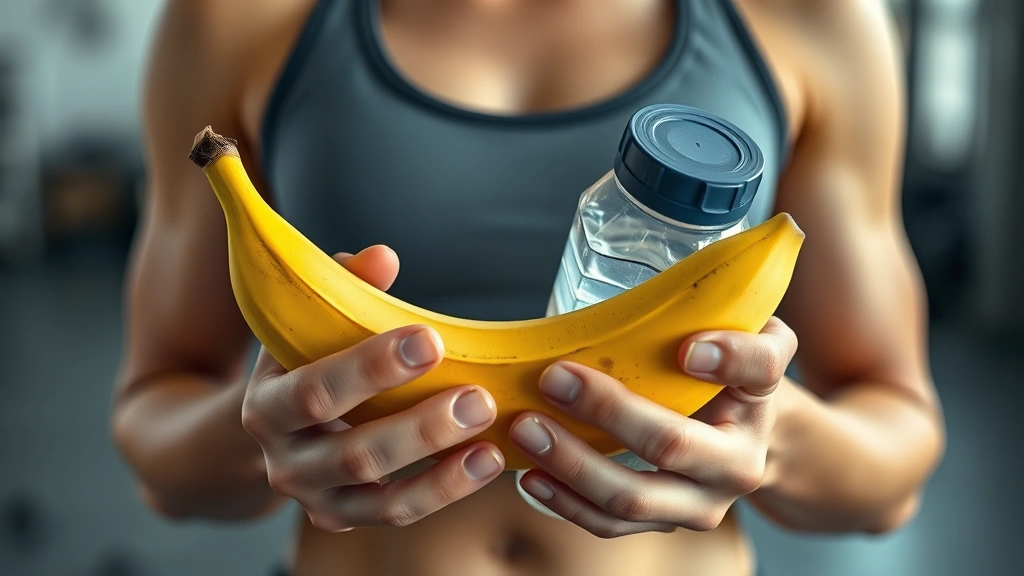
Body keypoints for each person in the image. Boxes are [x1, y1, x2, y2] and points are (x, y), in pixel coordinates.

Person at [111, 0, 945, 574]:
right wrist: (268, 435)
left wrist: (769, 439)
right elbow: (155, 438)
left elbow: (895, 465)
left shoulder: (812, 20)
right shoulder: (237, 17)